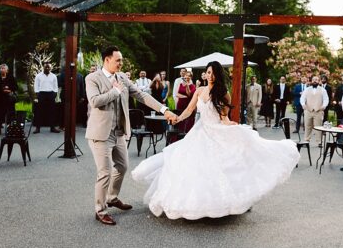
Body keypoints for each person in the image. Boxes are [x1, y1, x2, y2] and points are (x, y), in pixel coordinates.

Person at [131, 60, 298, 219]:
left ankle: (230, 202)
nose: (210, 76)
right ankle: (194, 203)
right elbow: (189, 110)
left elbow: (224, 117)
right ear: (205, 74)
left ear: (217, 75)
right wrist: (177, 118)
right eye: (208, 72)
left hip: (216, 130)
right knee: (190, 165)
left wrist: (230, 124)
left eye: (213, 73)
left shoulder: (224, 93)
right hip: (199, 131)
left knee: (224, 165)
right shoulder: (199, 90)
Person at [85, 46, 175, 225]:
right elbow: (94, 101)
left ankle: (112, 197)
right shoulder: (92, 78)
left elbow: (141, 95)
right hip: (100, 133)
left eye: (121, 60)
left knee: (123, 166)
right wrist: (115, 92)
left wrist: (164, 109)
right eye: (118, 60)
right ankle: (100, 210)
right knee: (105, 172)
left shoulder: (123, 77)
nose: (121, 63)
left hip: (119, 132)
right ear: (107, 60)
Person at [300, 74, 329, 145]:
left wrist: (324, 106)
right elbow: (302, 98)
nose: (314, 81)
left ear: (319, 81)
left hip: (318, 110)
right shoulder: (307, 89)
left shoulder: (323, 90)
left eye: (316, 80)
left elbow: (326, 99)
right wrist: (303, 104)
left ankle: (319, 142)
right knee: (307, 126)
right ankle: (306, 140)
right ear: (311, 81)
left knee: (318, 126)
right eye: (313, 80)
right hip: (308, 110)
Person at [33, 62, 60, 133]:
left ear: (50, 68)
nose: (47, 68)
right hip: (41, 94)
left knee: (52, 111)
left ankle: (52, 127)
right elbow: (36, 85)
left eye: (49, 67)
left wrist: (55, 93)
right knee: (39, 111)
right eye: (46, 67)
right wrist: (37, 93)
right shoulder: (38, 76)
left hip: (51, 94)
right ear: (43, 67)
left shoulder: (53, 76)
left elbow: (55, 86)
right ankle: (37, 128)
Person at [0, 63, 17, 131]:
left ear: (7, 70)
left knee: (9, 113)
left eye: (4, 68)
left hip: (9, 99)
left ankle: (9, 128)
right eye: (1, 68)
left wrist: (9, 90)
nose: (2, 70)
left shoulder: (11, 77)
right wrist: (2, 90)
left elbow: (15, 87)